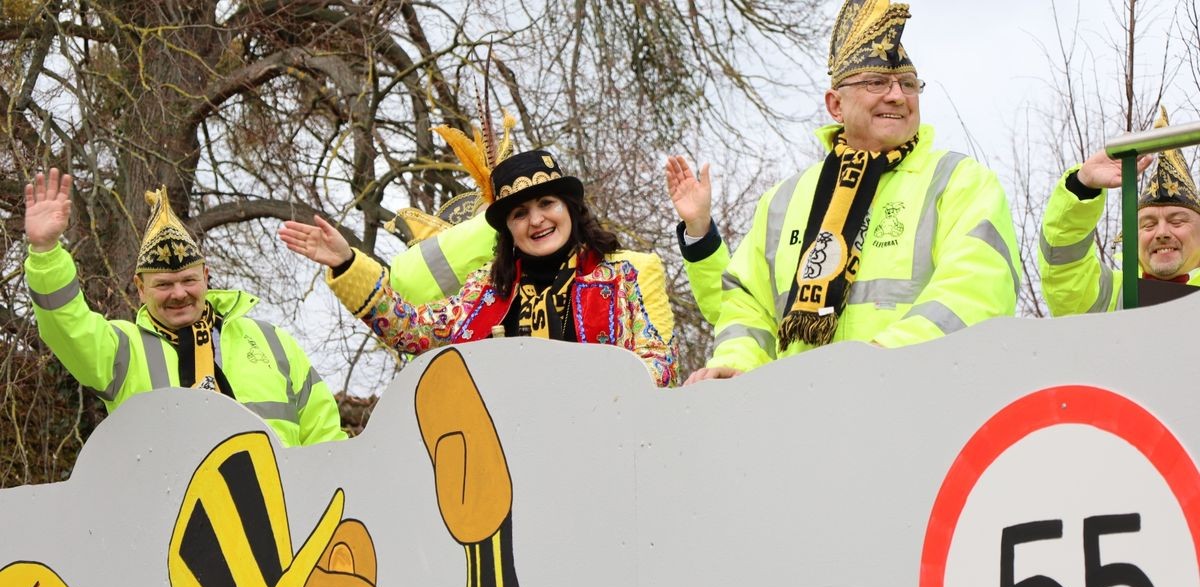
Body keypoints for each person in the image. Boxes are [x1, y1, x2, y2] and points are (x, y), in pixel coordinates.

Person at [668, 0, 1020, 383]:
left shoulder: (959, 180)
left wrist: (880, 365)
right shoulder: (782, 201)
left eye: (908, 84)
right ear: (835, 105)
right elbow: (745, 305)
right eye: (876, 82)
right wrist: (737, 366)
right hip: (802, 417)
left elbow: (978, 289)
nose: (897, 96)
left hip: (924, 407)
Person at [280, 150, 679, 387]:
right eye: (520, 213)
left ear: (570, 209)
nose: (536, 220)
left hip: (608, 452)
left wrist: (590, 399)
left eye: (547, 204)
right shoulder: (486, 291)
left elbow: (658, 362)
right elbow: (414, 330)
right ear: (508, 230)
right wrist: (347, 263)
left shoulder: (627, 275)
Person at [23, 169, 345, 447]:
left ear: (206, 277)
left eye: (188, 281)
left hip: (279, 512)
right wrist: (45, 252)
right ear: (140, 288)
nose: (179, 294)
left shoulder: (270, 340)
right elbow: (65, 323)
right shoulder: (123, 350)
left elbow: (325, 439)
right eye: (163, 284)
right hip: (171, 517)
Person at [1039, 107, 1200, 315]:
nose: (1161, 233)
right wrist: (1082, 186)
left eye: (1177, 221)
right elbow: (1064, 273)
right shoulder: (1108, 298)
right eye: (1148, 225)